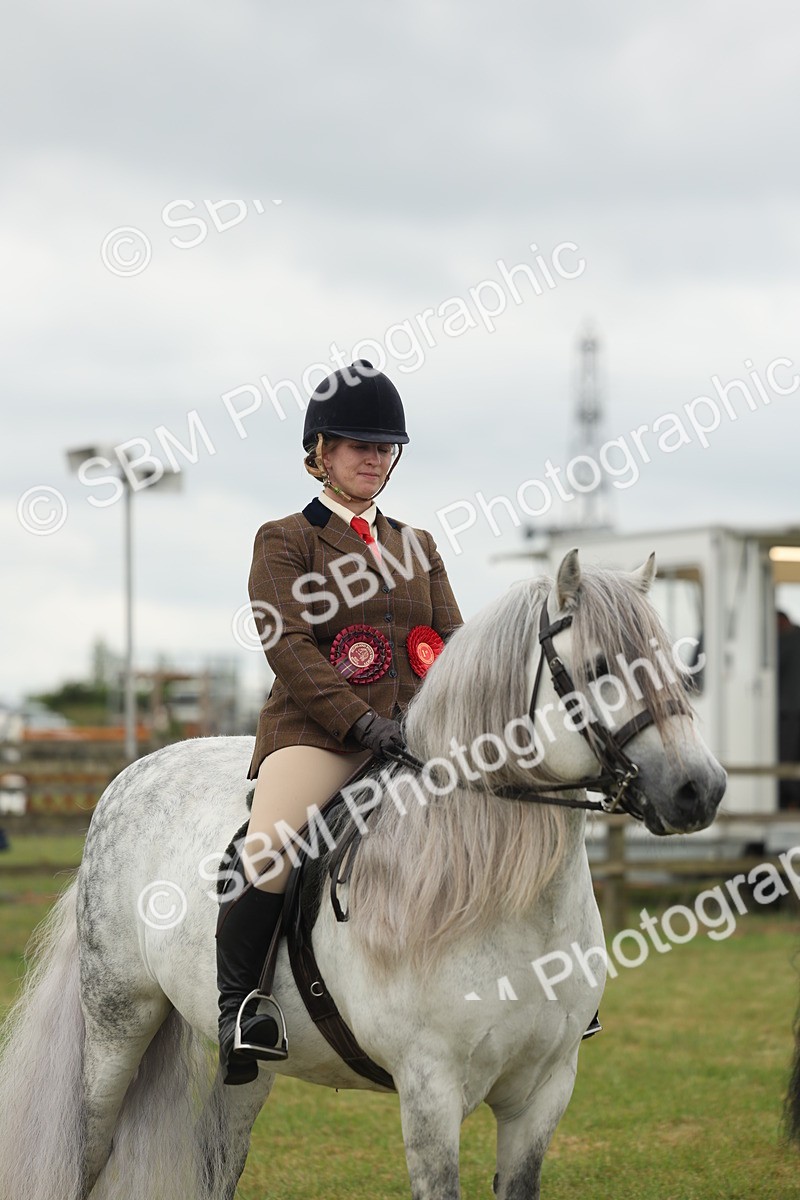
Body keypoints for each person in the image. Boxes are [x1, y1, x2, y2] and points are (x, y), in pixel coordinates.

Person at [216, 359, 463, 1084]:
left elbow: (452, 644)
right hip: (318, 733)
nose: (374, 458)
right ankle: (241, 1007)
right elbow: (288, 645)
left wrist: (448, 719)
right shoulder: (286, 539)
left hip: (415, 734)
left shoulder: (418, 546)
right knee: (272, 846)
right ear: (320, 451)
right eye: (359, 445)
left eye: (385, 447)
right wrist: (360, 725)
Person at [777, 611, 800, 809]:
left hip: (788, 711)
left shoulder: (784, 643)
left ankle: (790, 801)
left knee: (785, 758)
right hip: (792, 708)